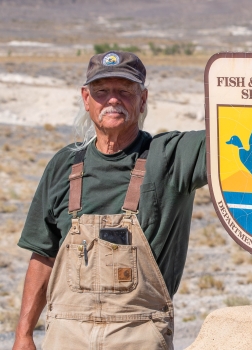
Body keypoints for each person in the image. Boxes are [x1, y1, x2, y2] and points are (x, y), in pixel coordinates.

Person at [13, 51, 207, 350]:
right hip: (66, 333)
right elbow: (42, 254)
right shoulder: (64, 164)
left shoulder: (171, 156)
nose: (112, 100)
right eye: (101, 91)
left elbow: (233, 137)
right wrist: (23, 334)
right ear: (86, 98)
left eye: (124, 91)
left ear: (142, 100)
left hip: (138, 332)